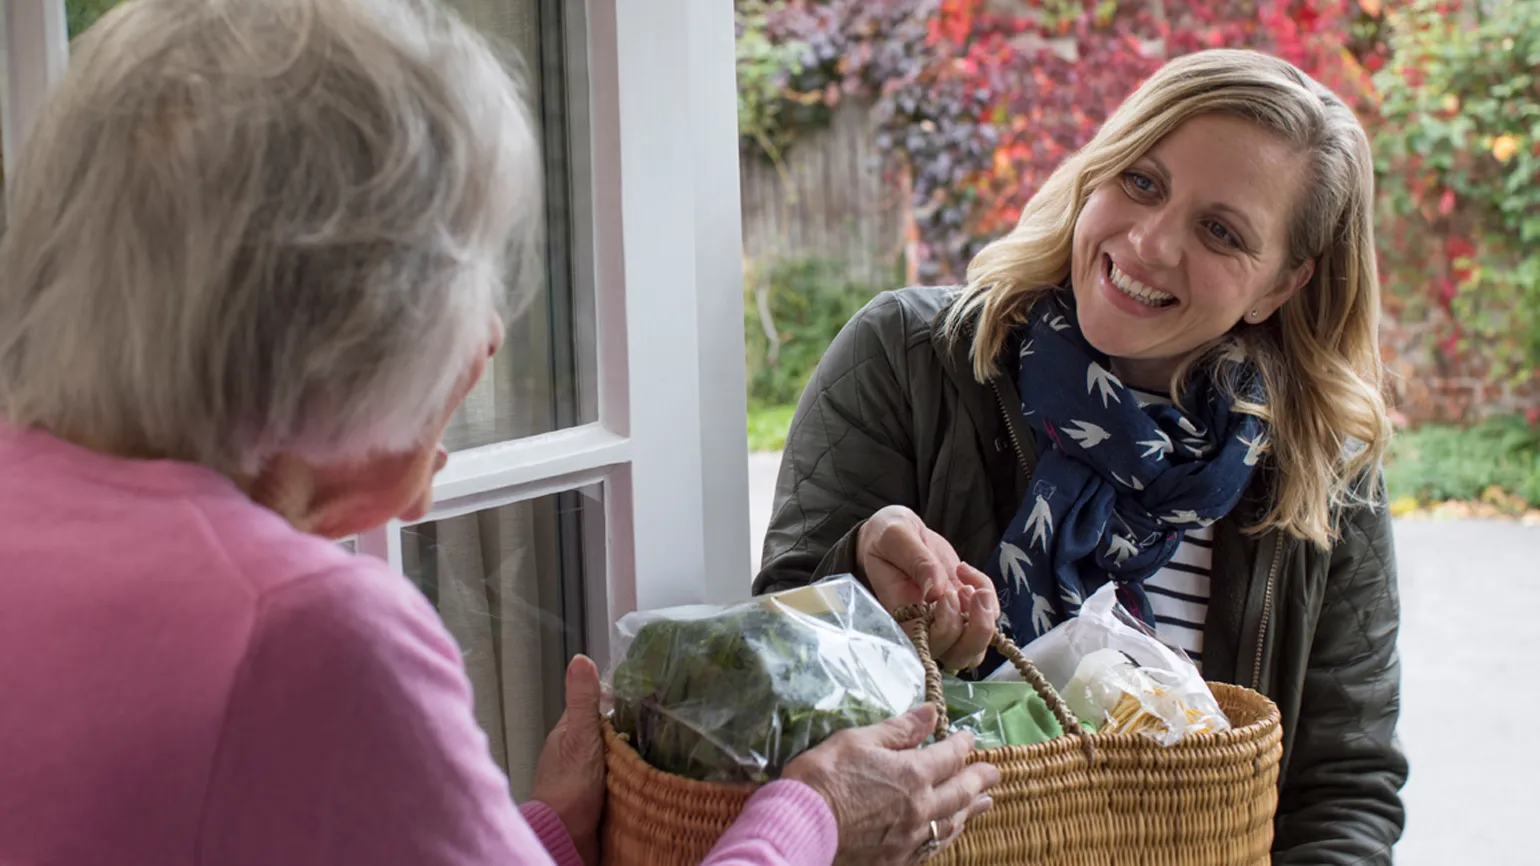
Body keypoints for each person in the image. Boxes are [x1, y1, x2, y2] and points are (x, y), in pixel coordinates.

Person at [0, 1, 998, 864]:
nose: (486, 338)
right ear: (346, 318)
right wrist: (813, 816)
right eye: (469, 269)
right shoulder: (309, 633)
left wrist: (541, 828)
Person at [757, 48, 1407, 864]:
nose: (1149, 242)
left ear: (1280, 285)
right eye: (1141, 181)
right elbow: (772, 678)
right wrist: (864, 582)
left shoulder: (1321, 470)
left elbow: (1342, 790)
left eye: (1220, 231)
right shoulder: (907, 359)